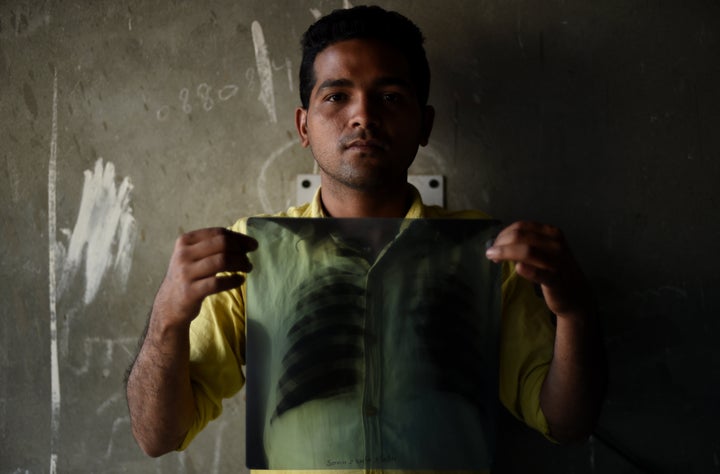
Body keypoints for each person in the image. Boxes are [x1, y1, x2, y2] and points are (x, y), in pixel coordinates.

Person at [125, 4, 606, 468]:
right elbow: (157, 437)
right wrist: (167, 319)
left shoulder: (487, 252)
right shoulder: (247, 252)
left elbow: (565, 423)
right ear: (304, 126)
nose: (364, 116)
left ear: (425, 124)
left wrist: (575, 310)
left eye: (391, 97)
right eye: (336, 96)